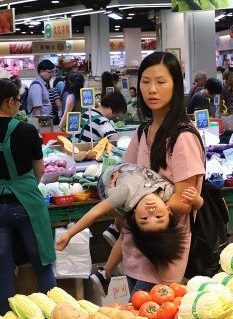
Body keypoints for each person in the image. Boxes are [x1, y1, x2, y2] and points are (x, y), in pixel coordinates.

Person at [0, 79, 57, 311]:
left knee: (3, 267)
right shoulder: (27, 130)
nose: (19, 105)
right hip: (28, 204)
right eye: (17, 100)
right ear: (8, 102)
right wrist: (23, 185)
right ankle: (57, 315)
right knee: (42, 262)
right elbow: (40, 170)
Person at [115, 52, 204, 293]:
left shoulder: (182, 137)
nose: (152, 89)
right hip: (135, 249)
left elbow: (184, 200)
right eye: (145, 82)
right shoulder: (143, 132)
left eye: (161, 82)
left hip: (164, 252)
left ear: (175, 86)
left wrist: (144, 210)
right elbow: (125, 177)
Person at [55, 164, 198, 268]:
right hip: (128, 171)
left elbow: (97, 211)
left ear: (134, 215)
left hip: (107, 181)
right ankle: (114, 229)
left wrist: (69, 234)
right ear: (168, 209)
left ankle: (116, 227)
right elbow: (192, 207)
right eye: (159, 217)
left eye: (144, 219)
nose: (151, 212)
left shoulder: (125, 193)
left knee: (119, 209)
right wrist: (198, 201)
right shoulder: (167, 193)